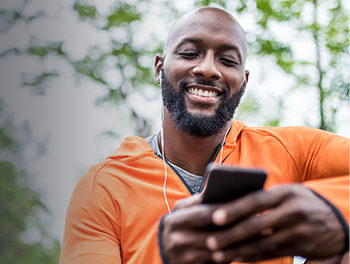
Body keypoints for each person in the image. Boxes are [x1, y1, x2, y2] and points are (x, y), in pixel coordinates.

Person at [60, 6, 349, 264]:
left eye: (227, 60)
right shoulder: (104, 188)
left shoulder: (291, 151)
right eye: (189, 53)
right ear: (160, 69)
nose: (209, 69)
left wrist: (335, 212)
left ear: (243, 82)